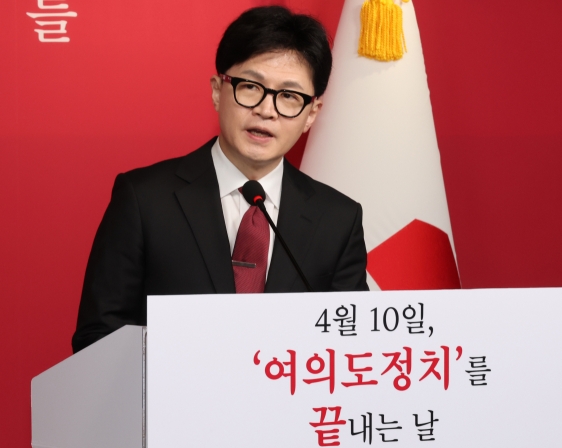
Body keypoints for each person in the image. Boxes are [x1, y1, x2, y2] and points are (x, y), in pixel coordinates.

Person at [72, 6, 368, 353]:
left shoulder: (338, 220)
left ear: (311, 114)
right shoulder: (144, 200)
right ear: (217, 90)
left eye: (289, 96)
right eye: (251, 86)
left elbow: (349, 346)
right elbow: (98, 337)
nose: (266, 110)